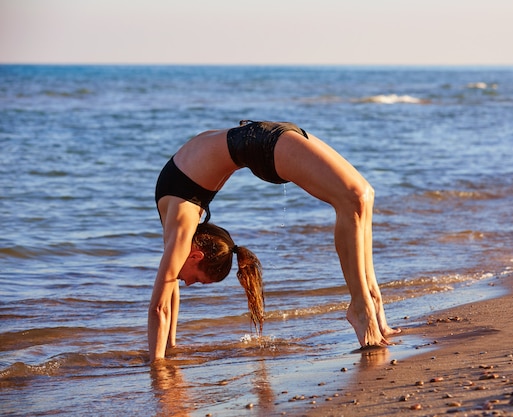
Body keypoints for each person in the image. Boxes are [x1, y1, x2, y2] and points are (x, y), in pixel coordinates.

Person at [149, 120, 400, 362]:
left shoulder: (181, 226)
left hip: (262, 143)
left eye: (195, 280)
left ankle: (364, 305)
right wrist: (170, 344)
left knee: (360, 197)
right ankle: (369, 303)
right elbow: (170, 290)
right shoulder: (177, 218)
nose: (187, 283)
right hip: (264, 134)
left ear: (196, 255)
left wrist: (157, 365)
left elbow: (159, 307)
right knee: (358, 198)